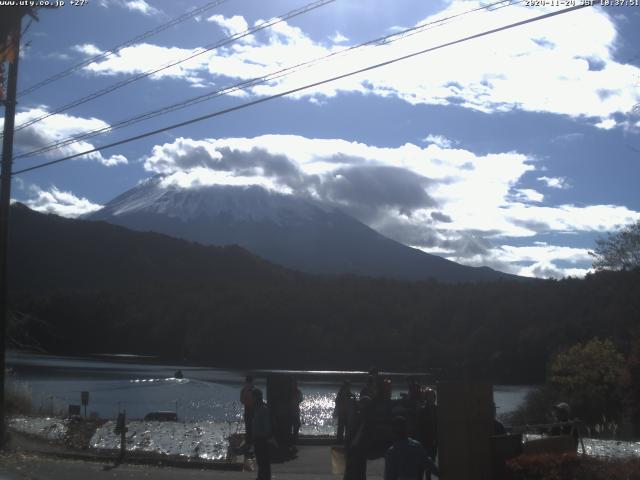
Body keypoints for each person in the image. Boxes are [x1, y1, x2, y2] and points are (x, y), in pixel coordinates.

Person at [384, 416, 439, 480]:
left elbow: (389, 475)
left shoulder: (391, 452)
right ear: (407, 429)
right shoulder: (416, 446)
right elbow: (429, 464)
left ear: (393, 432)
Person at [252, 388, 274, 480]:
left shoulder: (263, 409)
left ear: (257, 397)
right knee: (261, 460)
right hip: (258, 437)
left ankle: (264, 477)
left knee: (263, 459)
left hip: (262, 438)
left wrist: (268, 436)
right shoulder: (258, 408)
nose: (252, 399)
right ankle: (262, 476)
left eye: (253, 397)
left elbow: (266, 425)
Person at [240, 375, 256, 447]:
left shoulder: (244, 390)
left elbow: (242, 401)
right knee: (252, 426)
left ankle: (249, 441)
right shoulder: (254, 389)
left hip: (248, 409)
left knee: (248, 426)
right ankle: (252, 441)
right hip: (252, 410)